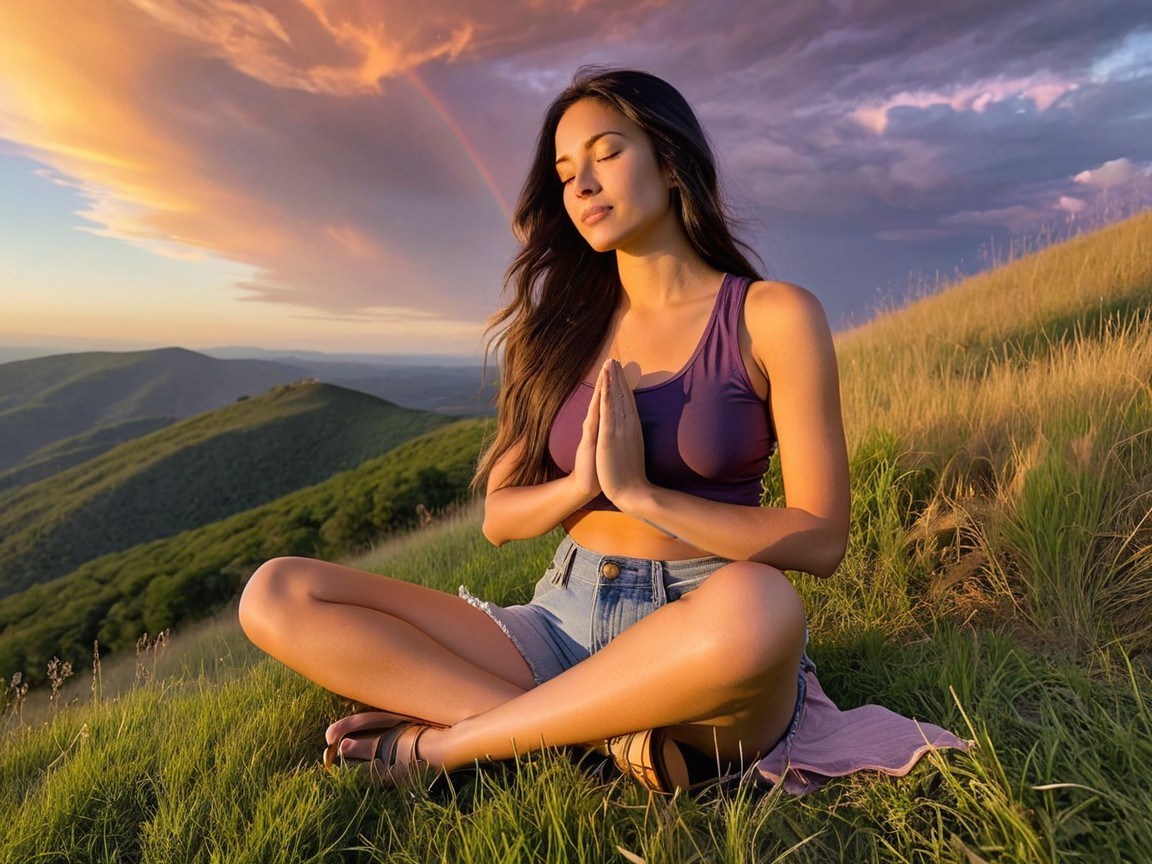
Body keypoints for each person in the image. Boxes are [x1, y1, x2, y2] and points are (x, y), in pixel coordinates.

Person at [238, 67, 944, 794]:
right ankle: (590, 743)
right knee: (278, 591)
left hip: (703, 623)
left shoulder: (772, 316)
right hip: (562, 616)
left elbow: (822, 540)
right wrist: (580, 485)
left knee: (765, 606)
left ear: (671, 162)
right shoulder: (556, 335)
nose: (581, 185)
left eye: (606, 153)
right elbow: (499, 517)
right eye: (566, 172)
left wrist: (643, 496)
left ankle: (459, 745)